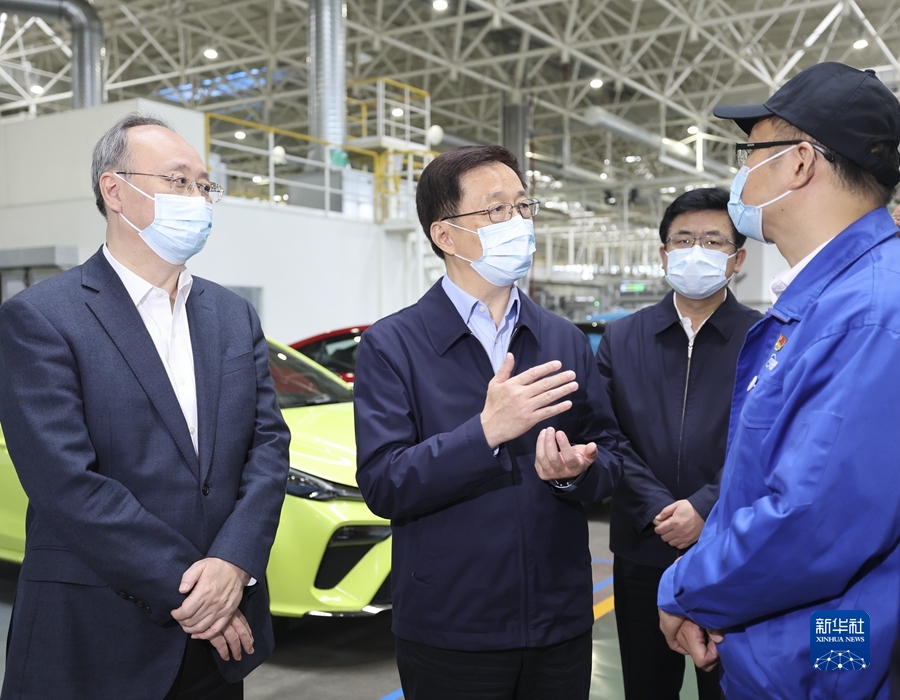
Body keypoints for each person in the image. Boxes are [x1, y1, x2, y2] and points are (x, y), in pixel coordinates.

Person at [0, 114, 291, 699]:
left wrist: (234, 563)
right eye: (179, 181)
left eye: (204, 186)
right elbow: (67, 484)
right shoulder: (42, 318)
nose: (198, 199)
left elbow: (268, 447)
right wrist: (197, 592)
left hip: (217, 647)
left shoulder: (232, 316)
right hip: (94, 638)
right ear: (114, 190)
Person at [656, 62, 900, 699]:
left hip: (827, 658)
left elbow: (814, 520)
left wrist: (686, 588)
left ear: (799, 162)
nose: (742, 174)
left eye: (752, 152)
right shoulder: (830, 302)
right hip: (788, 644)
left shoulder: (869, 314)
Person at [353, 145, 621, 700]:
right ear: (445, 235)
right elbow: (384, 483)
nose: (517, 221)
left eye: (523, 206)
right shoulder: (393, 345)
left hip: (559, 620)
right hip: (452, 629)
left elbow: (610, 452)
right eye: (496, 209)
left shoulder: (562, 338)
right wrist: (485, 433)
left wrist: (576, 472)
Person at [597, 187, 761, 700]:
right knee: (647, 685)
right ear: (664, 254)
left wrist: (705, 507)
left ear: (737, 259)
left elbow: (767, 440)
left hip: (730, 550)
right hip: (644, 548)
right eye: (683, 239)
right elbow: (606, 434)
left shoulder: (766, 338)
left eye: (713, 241)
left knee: (727, 685)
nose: (696, 251)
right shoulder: (623, 338)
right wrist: (661, 510)